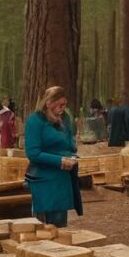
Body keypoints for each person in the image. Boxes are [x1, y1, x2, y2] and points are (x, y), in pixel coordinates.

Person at [24, 86, 82, 229]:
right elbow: (33, 153)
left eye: (65, 105)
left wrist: (73, 156)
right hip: (44, 183)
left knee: (60, 228)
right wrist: (60, 160)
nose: (63, 108)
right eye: (60, 104)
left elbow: (70, 145)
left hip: (62, 182)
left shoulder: (64, 120)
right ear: (48, 102)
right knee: (45, 231)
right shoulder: (35, 121)